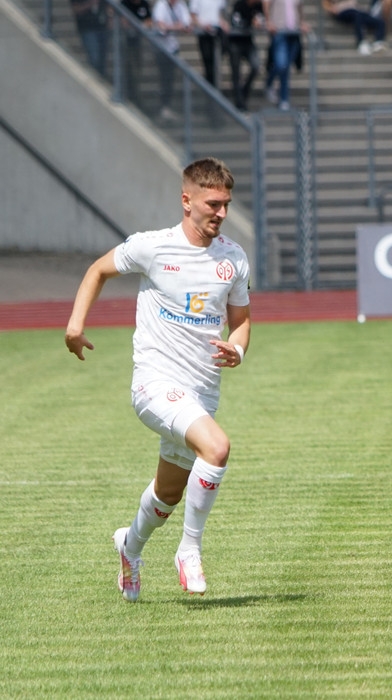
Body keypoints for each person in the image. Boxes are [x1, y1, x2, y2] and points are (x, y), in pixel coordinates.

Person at [64, 157, 251, 602]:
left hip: (202, 390)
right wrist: (74, 325)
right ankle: (190, 550)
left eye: (226, 204)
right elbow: (98, 270)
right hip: (154, 382)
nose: (221, 213)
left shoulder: (234, 259)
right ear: (187, 201)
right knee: (217, 447)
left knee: (167, 496)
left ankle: (129, 547)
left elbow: (241, 321)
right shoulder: (154, 247)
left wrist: (238, 348)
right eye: (213, 204)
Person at [152, 0, 192, 122]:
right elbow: (161, 27)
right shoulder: (161, 5)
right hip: (161, 48)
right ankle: (163, 106)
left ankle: (167, 106)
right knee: (165, 77)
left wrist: (172, 27)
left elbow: (187, 26)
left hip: (173, 47)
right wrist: (177, 26)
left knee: (170, 77)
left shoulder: (180, 5)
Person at [264, 0, 308, 110]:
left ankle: (284, 98)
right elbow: (266, 2)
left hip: (294, 33)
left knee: (286, 67)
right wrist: (268, 21)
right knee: (281, 64)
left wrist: (302, 22)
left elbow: (300, 8)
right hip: (279, 31)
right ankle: (270, 82)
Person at [322, 0, 387, 54]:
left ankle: (378, 41)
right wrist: (342, 6)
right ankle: (361, 42)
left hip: (356, 10)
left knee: (379, 21)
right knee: (358, 16)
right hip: (343, 12)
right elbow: (330, 8)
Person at [189, 0, 229, 87]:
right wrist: (203, 25)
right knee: (208, 64)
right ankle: (210, 89)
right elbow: (193, 17)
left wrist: (222, 22)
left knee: (216, 62)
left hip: (217, 32)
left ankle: (214, 87)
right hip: (204, 33)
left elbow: (219, 14)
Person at [121, 0, 153, 106]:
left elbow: (149, 21)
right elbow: (123, 22)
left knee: (137, 68)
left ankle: (135, 96)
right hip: (126, 41)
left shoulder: (144, 4)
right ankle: (129, 95)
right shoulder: (125, 3)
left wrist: (141, 26)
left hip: (137, 42)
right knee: (129, 67)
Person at [71, 0, 110, 77]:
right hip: (87, 28)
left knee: (102, 59)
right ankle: (95, 78)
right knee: (95, 58)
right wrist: (90, 4)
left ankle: (100, 78)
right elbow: (75, 9)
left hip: (101, 27)